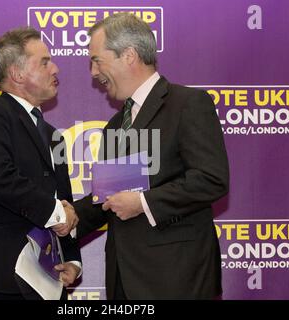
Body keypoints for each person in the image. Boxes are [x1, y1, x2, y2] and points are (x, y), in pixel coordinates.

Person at [53, 13, 229, 299]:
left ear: (129, 55)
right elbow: (108, 198)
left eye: (97, 60)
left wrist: (144, 202)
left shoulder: (187, 105)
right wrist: (71, 217)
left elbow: (211, 179)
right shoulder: (114, 126)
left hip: (176, 277)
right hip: (124, 278)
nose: (93, 72)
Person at [0, 27, 81, 300]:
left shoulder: (53, 135)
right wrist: (57, 212)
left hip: (49, 282)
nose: (56, 68)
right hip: (1, 278)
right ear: (17, 73)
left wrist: (73, 260)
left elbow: (64, 202)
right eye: (45, 61)